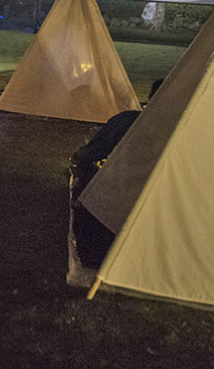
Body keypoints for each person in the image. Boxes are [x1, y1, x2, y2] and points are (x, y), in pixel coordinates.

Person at [70, 79, 163, 269]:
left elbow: (88, 159)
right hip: (112, 239)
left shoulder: (125, 119)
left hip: (89, 226)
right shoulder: (156, 137)